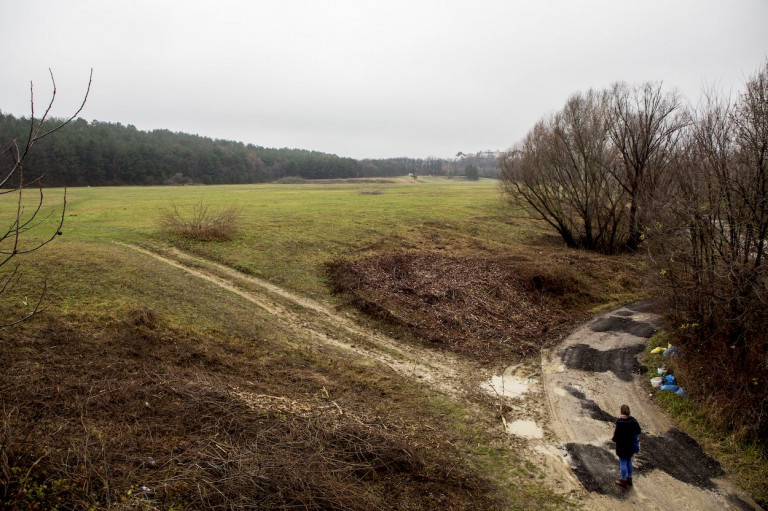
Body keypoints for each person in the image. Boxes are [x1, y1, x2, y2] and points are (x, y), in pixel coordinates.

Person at [612, 404, 641, 489]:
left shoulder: (620, 422)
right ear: (629, 411)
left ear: (621, 411)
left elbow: (616, 435)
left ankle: (623, 480)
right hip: (631, 445)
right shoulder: (633, 421)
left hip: (621, 445)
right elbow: (638, 431)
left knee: (623, 462)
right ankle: (630, 478)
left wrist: (614, 439)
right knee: (629, 460)